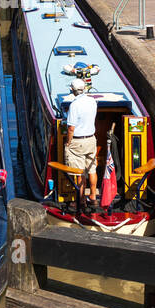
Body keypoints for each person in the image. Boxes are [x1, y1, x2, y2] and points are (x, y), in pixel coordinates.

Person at [64, 76, 99, 211]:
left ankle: (81, 200)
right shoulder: (92, 101)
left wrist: (68, 142)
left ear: (72, 90)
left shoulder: (74, 105)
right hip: (91, 139)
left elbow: (71, 128)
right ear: (84, 89)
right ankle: (93, 197)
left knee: (79, 172)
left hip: (78, 141)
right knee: (92, 169)